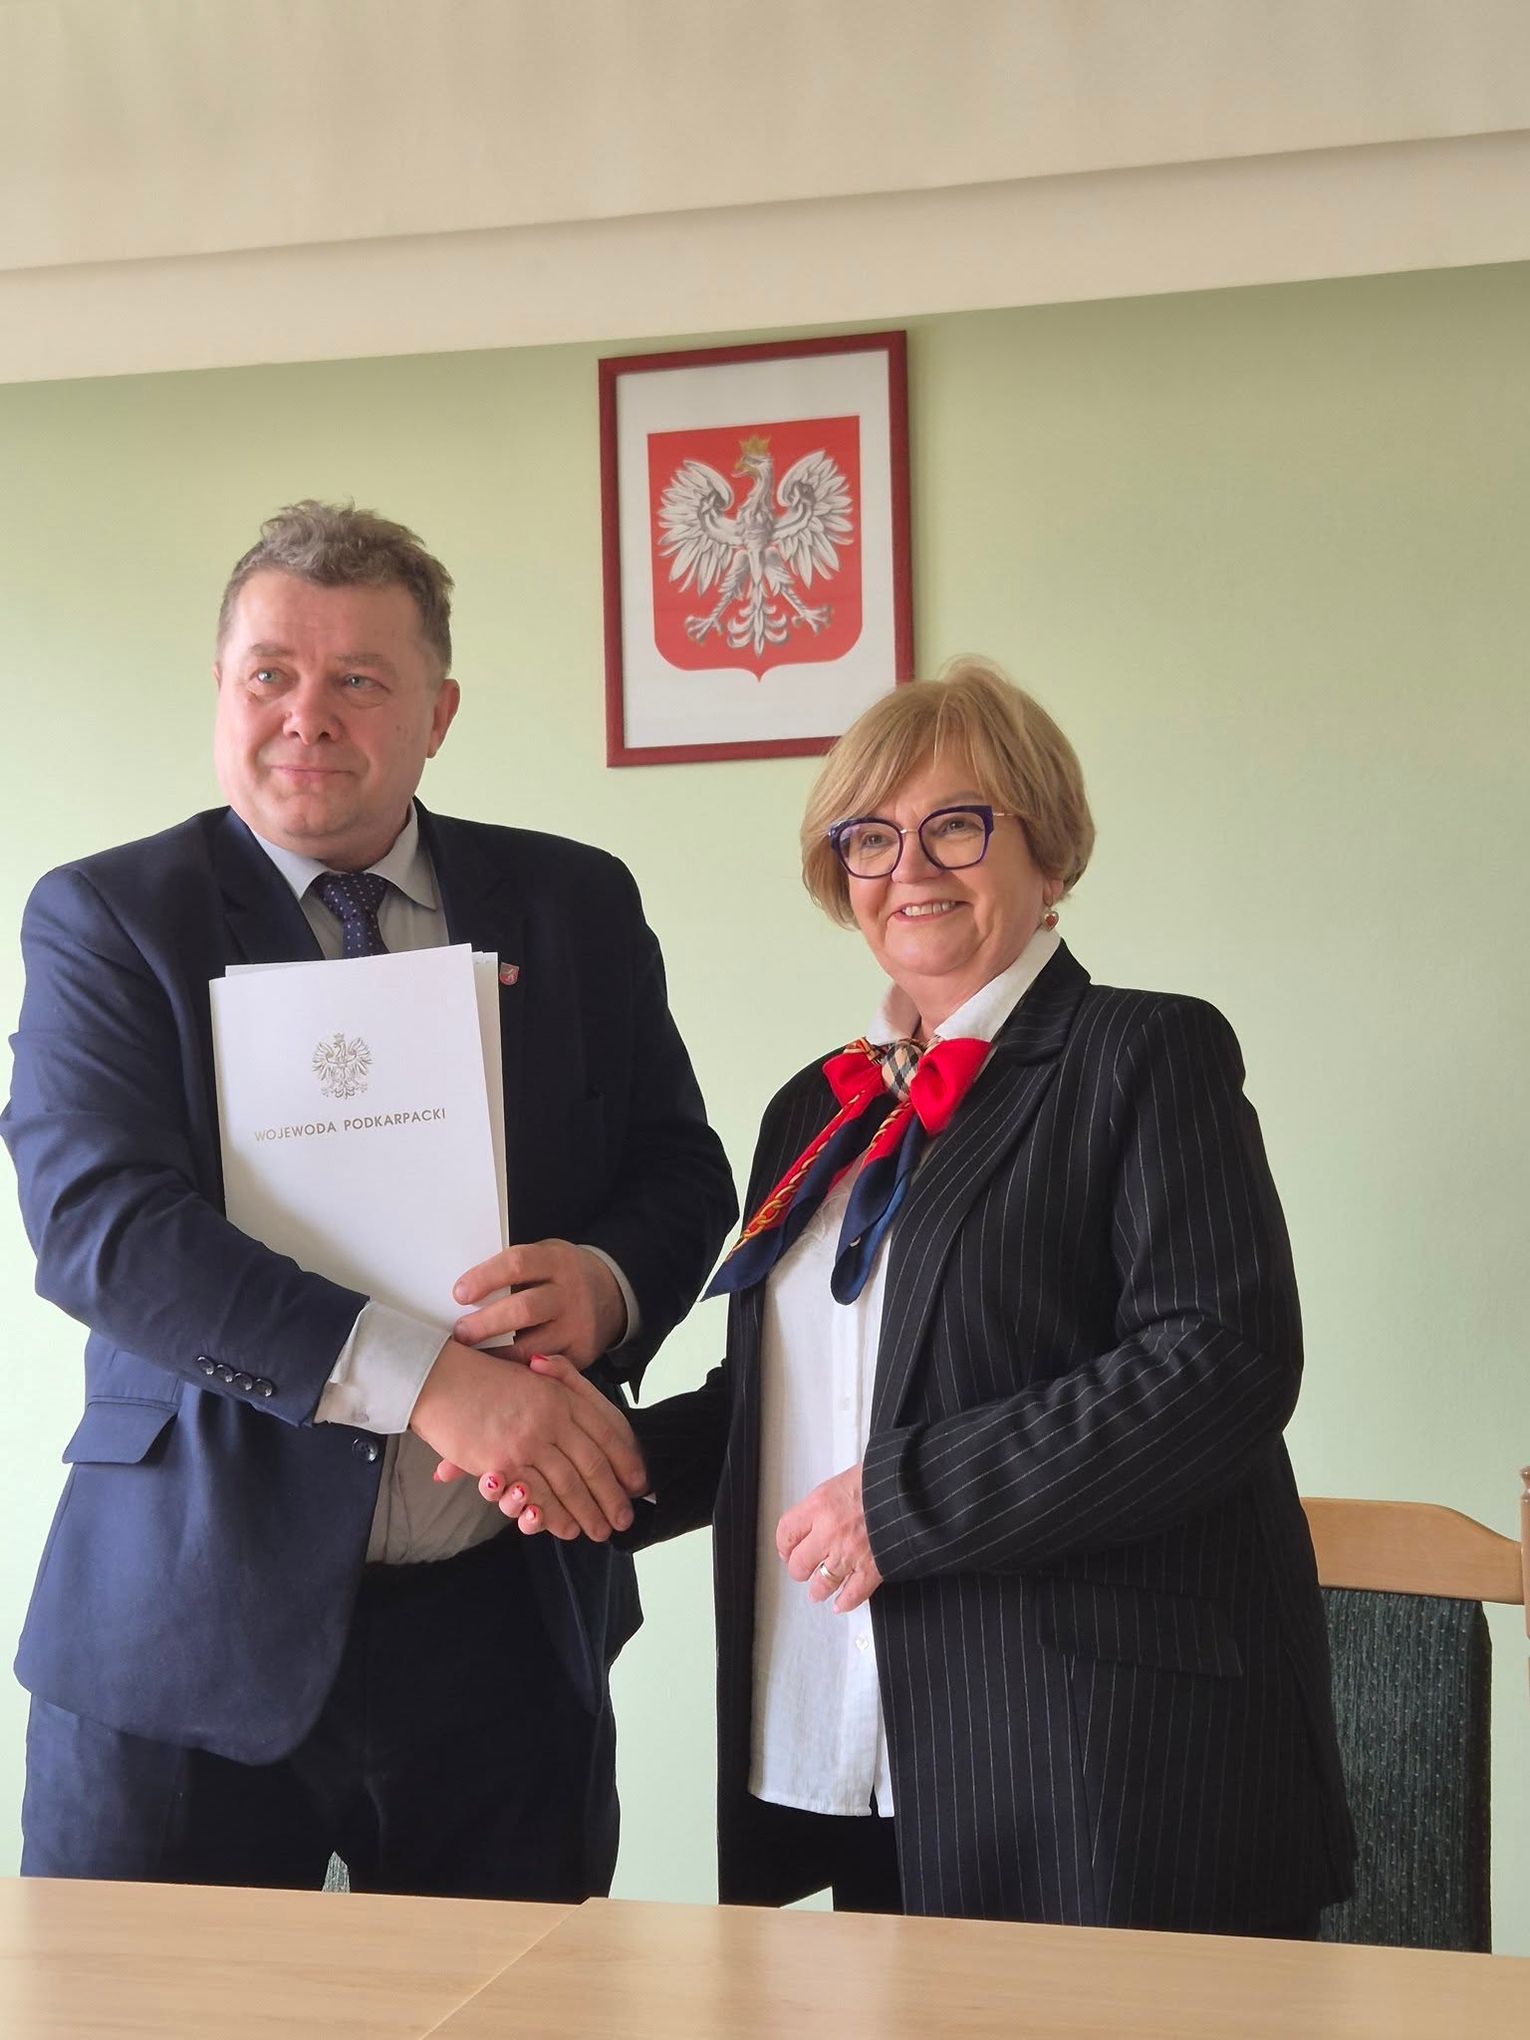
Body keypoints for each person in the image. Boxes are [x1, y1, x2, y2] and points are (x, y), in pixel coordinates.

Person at [500, 657, 1354, 1933]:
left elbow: (1215, 1363)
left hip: (1098, 1754)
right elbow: (790, 1399)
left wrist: (901, 1504)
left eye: (957, 824)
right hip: (862, 1729)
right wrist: (603, 1464)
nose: (911, 867)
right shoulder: (818, 1104)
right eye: (871, 837)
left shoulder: (1144, 1052)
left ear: (1048, 852)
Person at [2, 500, 735, 1898]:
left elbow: (676, 1165)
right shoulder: (108, 917)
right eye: (270, 673)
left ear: (438, 713)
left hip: (504, 1629)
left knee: (518, 2002)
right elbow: (106, 1231)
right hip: (187, 1621)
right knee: (154, 2008)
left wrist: (605, 1284)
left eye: (358, 678)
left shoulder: (575, 903)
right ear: (221, 690)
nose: (308, 715)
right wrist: (435, 1384)